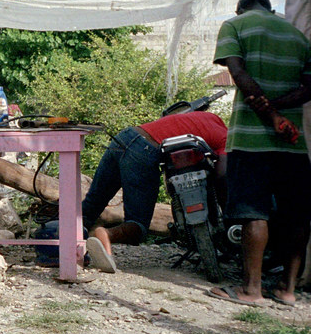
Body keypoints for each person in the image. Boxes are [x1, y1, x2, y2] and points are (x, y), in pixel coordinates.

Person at [206, 0, 311, 307]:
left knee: (254, 212)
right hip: (294, 146)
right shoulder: (297, 35)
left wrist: (269, 113)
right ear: (271, 9)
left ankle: (251, 291)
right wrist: (279, 108)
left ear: (240, 9)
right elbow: (309, 88)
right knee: (296, 216)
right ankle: (287, 290)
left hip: (251, 141)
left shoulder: (235, 25)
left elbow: (237, 74)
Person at [82, 111, 227, 273]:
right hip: (144, 150)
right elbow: (222, 175)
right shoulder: (226, 138)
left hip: (125, 136)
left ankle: (61, 244)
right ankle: (107, 235)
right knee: (138, 225)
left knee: (91, 205)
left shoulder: (211, 118)